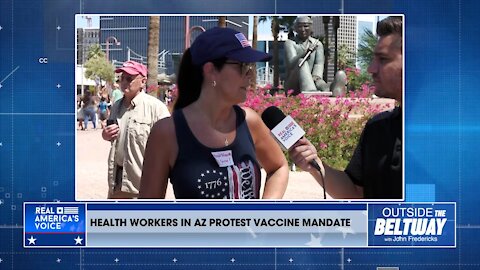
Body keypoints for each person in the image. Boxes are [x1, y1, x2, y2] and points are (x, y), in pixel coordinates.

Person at [140, 27, 289, 199]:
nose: (250, 75)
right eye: (242, 66)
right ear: (210, 70)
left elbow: (279, 167)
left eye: (251, 67)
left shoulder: (249, 121)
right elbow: (148, 213)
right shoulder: (167, 133)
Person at [288, 16, 403, 199]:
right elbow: (355, 191)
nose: (371, 69)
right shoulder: (377, 128)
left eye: (383, 59)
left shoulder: (451, 136)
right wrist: (314, 163)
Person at [102, 60, 170, 199]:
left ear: (143, 81)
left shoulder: (156, 108)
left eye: (129, 78)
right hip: (117, 181)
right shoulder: (116, 107)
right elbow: (115, 138)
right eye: (122, 78)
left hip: (143, 185)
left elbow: (169, 144)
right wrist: (106, 135)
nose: (124, 82)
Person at [284, 16, 328, 95]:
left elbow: (319, 64)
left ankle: (336, 92)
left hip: (313, 80)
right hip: (293, 84)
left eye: (306, 26)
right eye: (300, 26)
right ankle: (310, 92)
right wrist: (305, 53)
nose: (303, 29)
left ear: (311, 27)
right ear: (295, 28)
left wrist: (317, 79)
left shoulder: (317, 44)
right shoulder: (290, 43)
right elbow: (291, 64)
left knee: (325, 87)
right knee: (301, 62)